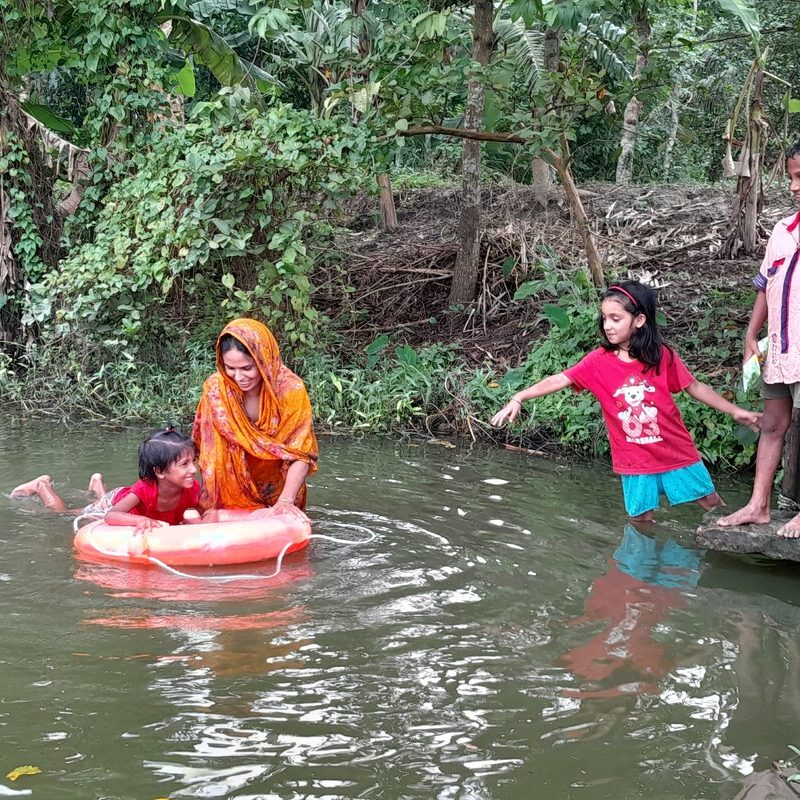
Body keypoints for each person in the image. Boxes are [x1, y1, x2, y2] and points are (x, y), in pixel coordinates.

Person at [491, 280, 761, 522]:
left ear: (639, 320)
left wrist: (735, 411)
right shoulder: (597, 362)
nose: (607, 325)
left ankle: (734, 545)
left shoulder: (661, 356)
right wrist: (519, 396)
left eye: (616, 318)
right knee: (640, 519)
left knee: (711, 501)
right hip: (634, 459)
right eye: (605, 318)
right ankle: (642, 572)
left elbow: (695, 387)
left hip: (676, 452)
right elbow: (560, 379)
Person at [717, 145, 800, 538]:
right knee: (772, 424)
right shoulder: (783, 232)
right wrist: (752, 335)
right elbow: (765, 286)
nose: (793, 186)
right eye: (791, 176)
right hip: (781, 350)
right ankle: (758, 505)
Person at [193, 318, 318, 516]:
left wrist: (285, 501)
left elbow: (301, 453)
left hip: (278, 490)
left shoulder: (289, 391)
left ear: (264, 361)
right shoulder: (217, 390)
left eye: (247, 368)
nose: (238, 377)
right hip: (228, 492)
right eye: (230, 368)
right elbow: (205, 447)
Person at [10, 427, 202, 532]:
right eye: (184, 464)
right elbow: (111, 515)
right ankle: (42, 486)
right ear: (159, 472)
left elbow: (205, 515)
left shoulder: (192, 489)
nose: (194, 469)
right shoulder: (145, 489)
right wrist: (141, 520)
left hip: (122, 497)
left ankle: (96, 484)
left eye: (193, 461)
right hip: (113, 502)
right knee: (63, 514)